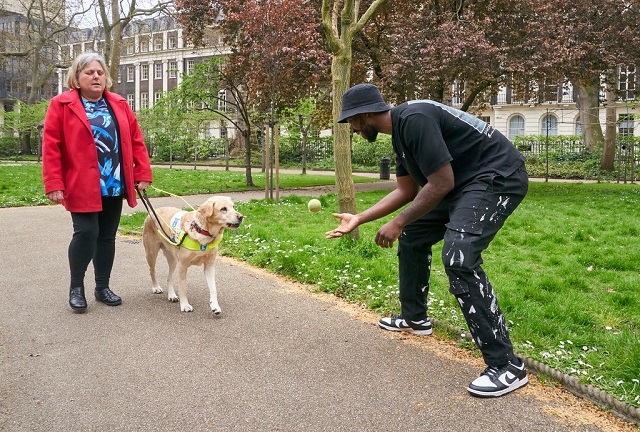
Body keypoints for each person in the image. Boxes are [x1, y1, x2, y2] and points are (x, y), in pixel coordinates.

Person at [326, 83, 529, 398]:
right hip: (462, 186)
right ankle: (415, 317)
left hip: (497, 176)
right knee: (413, 236)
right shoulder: (401, 136)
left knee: (459, 257)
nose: (351, 129)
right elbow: (406, 191)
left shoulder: (414, 118)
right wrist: (360, 218)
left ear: (364, 114)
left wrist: (397, 221)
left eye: (350, 122)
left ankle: (507, 366)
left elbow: (441, 181)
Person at [42, 52, 153, 313]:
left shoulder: (119, 104)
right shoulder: (62, 104)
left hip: (113, 181)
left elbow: (136, 141)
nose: (96, 77)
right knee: (86, 232)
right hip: (80, 182)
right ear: (77, 78)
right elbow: (51, 147)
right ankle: (76, 287)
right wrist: (54, 182)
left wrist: (142, 174)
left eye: (100, 73)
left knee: (106, 236)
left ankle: (102, 287)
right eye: (89, 72)